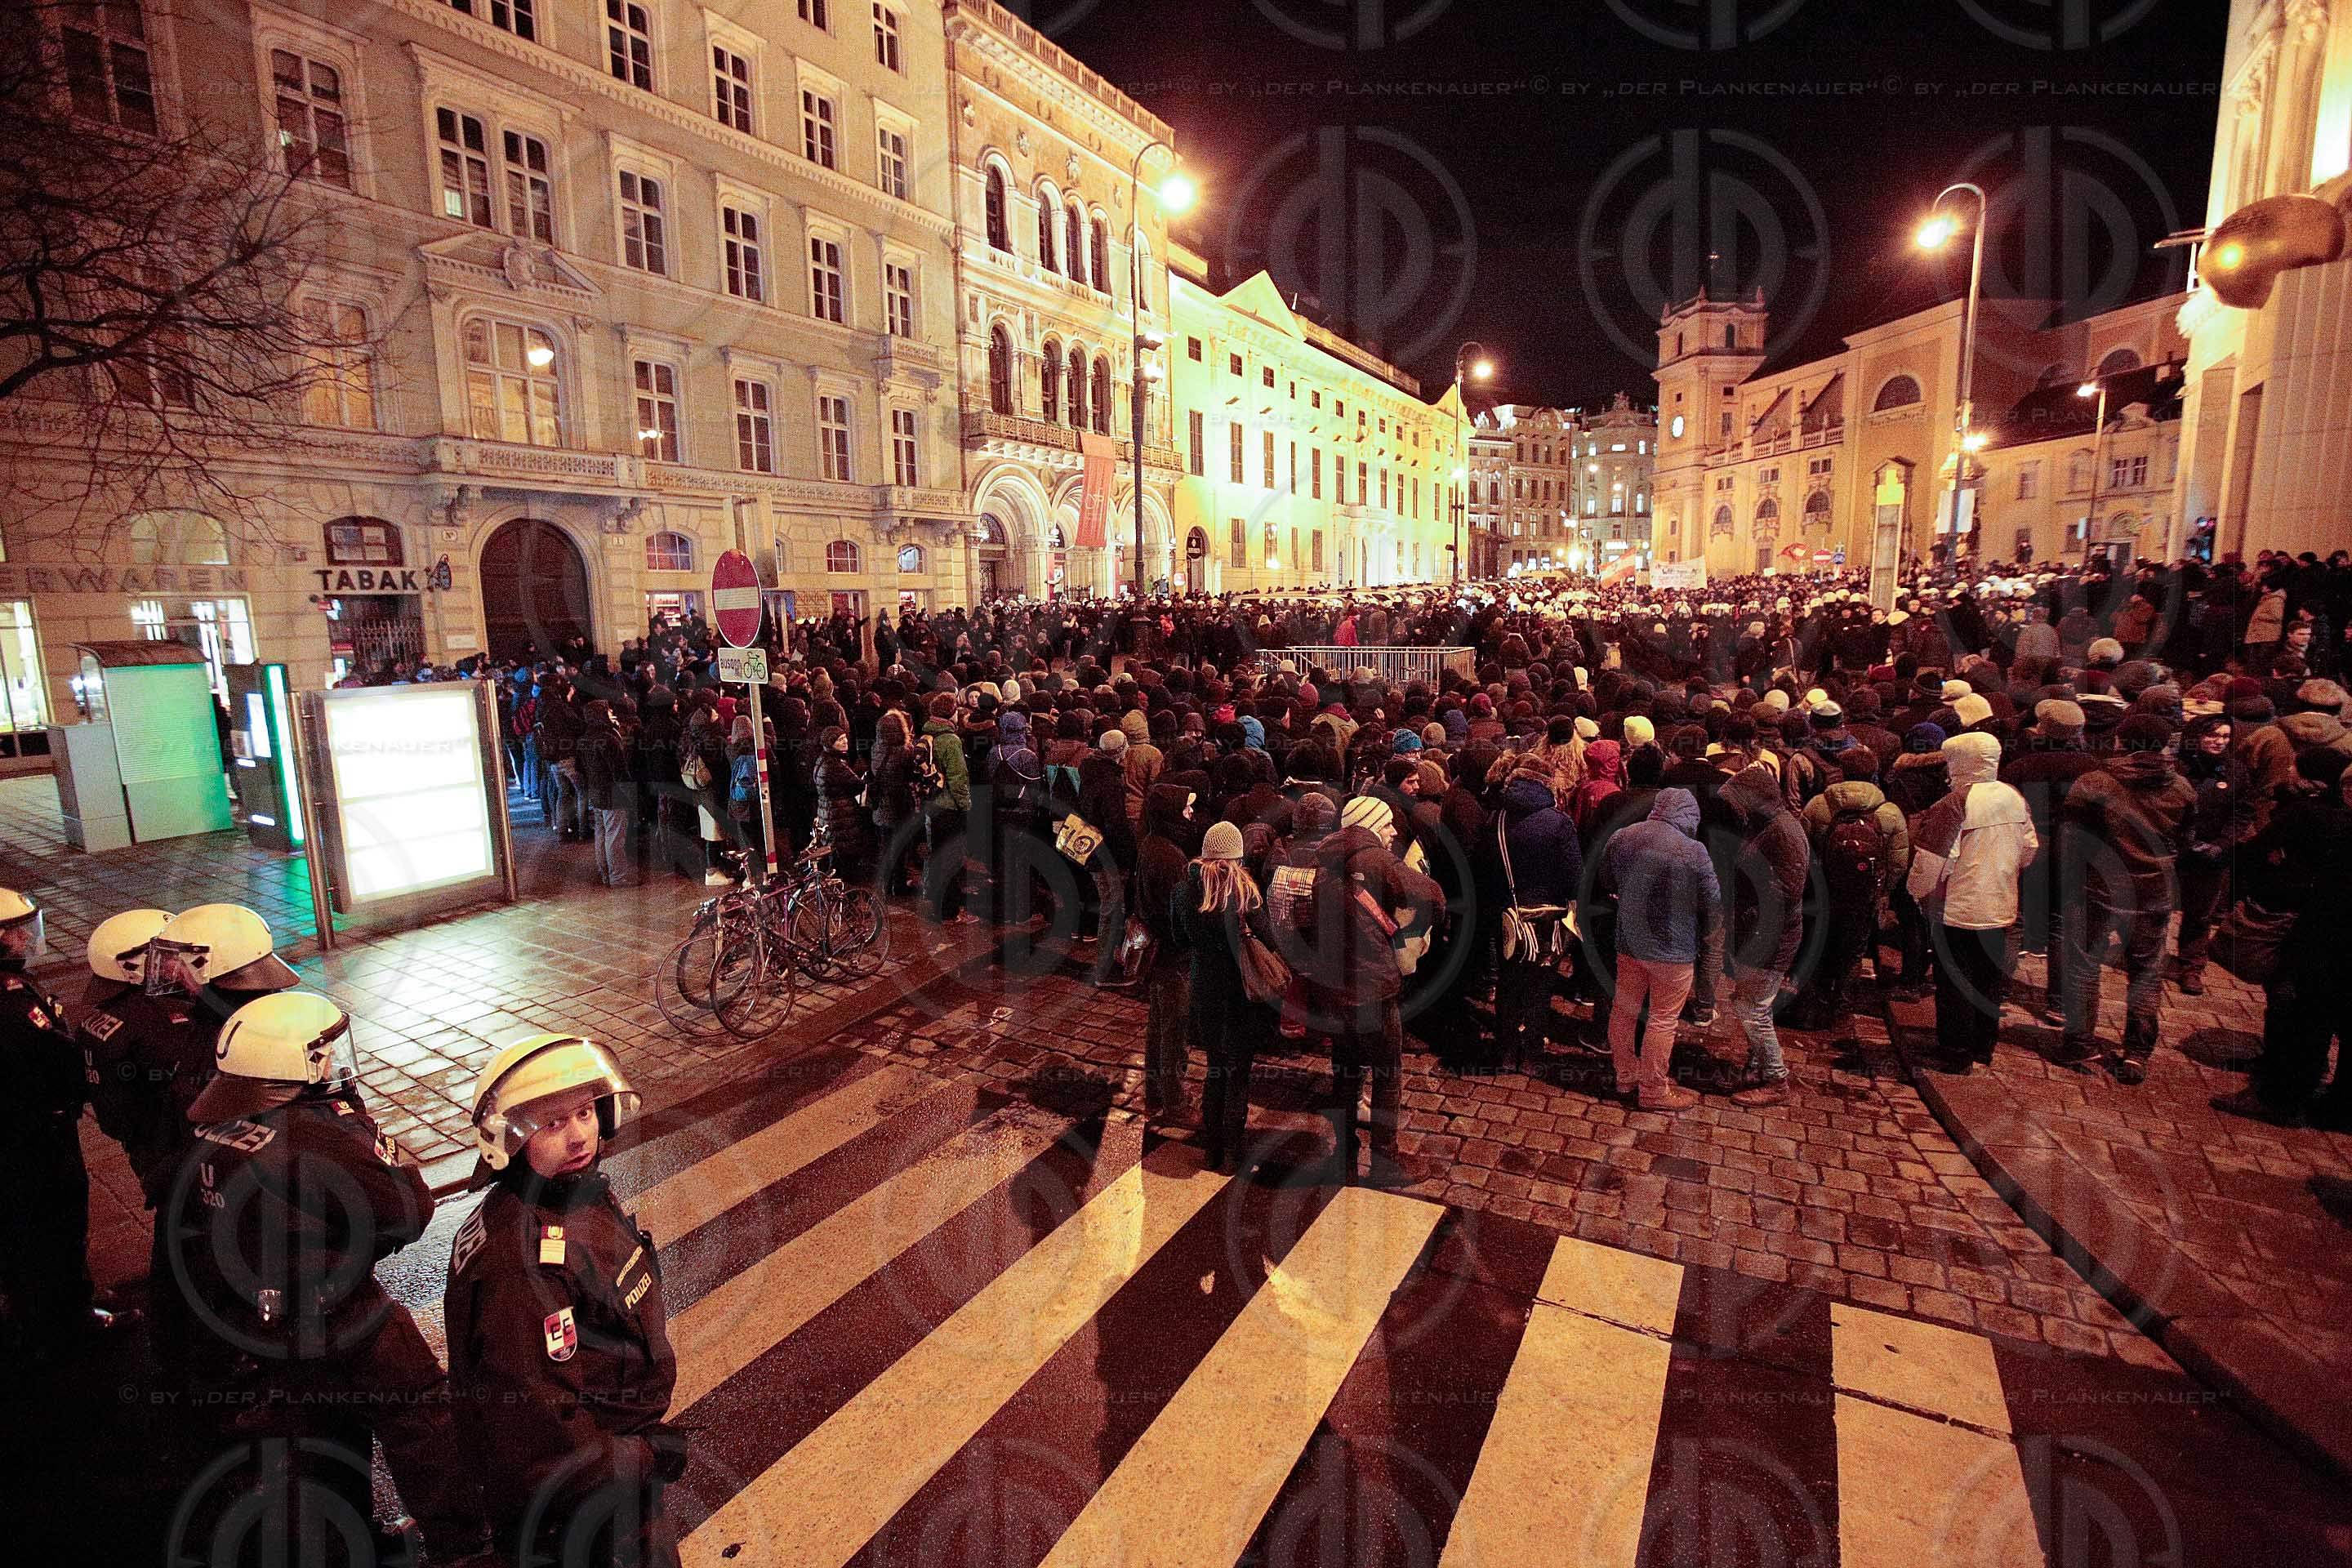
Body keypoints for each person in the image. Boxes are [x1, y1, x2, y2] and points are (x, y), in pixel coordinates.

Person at [165, 991, 494, 1566]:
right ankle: (464, 1545)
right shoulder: (315, 1134)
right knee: (422, 1418)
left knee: (320, 1428)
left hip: (263, 1321)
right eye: (325, 1051)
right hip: (343, 1313)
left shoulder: (209, 1132)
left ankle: (348, 1541)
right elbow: (408, 1208)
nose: (338, 1059)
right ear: (299, 1065)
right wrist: (359, 1126)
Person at [447, 1034, 684, 1568]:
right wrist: (647, 1457)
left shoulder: (568, 1191)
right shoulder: (522, 1263)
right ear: (510, 1140)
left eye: (584, 1112)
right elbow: (546, 1438)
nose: (579, 1135)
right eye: (553, 1124)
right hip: (585, 1506)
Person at [1285, 789, 1443, 1185]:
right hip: (1373, 987)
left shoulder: (1325, 862)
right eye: (1386, 823)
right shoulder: (1378, 860)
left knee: (1346, 1073)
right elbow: (1431, 895)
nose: (1393, 831)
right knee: (1387, 1073)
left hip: (1334, 987)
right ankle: (1386, 1162)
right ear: (1371, 825)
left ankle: (1344, 1158)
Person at [0, 889, 125, 1357]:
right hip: (34, 1134)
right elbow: (55, 1054)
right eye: (19, 931)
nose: (28, 938)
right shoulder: (12, 1001)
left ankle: (26, 1304)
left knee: (18, 1227)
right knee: (56, 1222)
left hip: (15, 1130)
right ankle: (67, 1319)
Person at [2058, 714, 2194, 1082]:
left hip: (2098, 889)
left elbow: (2071, 842)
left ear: (2122, 742)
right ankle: (2137, 1052)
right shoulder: (2181, 788)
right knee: (2147, 972)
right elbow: (2185, 841)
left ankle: (2080, 1042)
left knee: (2083, 965)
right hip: (2154, 892)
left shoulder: (2095, 783)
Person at [1905, 733, 2037, 1073]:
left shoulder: (1954, 803)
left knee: (1954, 981)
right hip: (2000, 902)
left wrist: (1916, 893)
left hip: (1959, 907)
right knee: (1988, 979)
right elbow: (2029, 848)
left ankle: (1954, 1052)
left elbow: (1933, 861)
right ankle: (1983, 1046)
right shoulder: (2013, 797)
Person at [1596, 788, 1719, 1112]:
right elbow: (1712, 900)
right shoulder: (1694, 851)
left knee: (1624, 1009)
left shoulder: (1624, 836)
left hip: (1630, 941)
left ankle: (1626, 1077)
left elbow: (1607, 879)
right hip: (1673, 948)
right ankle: (1653, 1090)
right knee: (1663, 1019)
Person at [1176, 822, 1272, 1173]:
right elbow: (1270, 938)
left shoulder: (1185, 891)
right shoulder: (1245, 892)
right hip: (1240, 993)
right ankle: (1231, 1151)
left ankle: (1211, 1147)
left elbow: (1179, 936)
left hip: (1205, 989)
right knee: (1238, 1073)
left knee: (1215, 1068)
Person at [1794, 746, 1909, 1033]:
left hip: (1823, 893)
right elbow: (1898, 862)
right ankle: (1840, 1010)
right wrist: (1883, 892)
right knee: (1853, 953)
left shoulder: (1819, 806)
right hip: (1863, 897)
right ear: (1873, 773)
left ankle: (1809, 1008)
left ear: (1842, 773)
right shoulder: (1889, 813)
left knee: (1816, 947)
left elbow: (1803, 851)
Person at [1721, 762, 1808, 1106]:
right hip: (1760, 933)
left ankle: (1776, 1080)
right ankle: (1757, 1065)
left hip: (1770, 937)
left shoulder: (1782, 832)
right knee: (1753, 1004)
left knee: (1751, 1007)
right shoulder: (1769, 824)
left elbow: (1786, 892)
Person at [1493, 752, 1580, 1071]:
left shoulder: (1499, 818)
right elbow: (1575, 877)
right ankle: (1530, 1055)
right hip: (1547, 918)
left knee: (1509, 982)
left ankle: (1504, 1052)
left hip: (1508, 915)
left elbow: (1486, 867)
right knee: (1540, 985)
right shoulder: (1558, 823)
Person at [2172, 714, 2252, 995]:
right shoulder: (2176, 767)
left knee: (2200, 913)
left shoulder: (2235, 771)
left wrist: (2223, 843)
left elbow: (2241, 812)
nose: (2220, 742)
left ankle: (2191, 965)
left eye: (2225, 737)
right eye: (2213, 736)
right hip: (2173, 850)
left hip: (2212, 853)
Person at [1136, 783, 1196, 1124]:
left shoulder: (1152, 844)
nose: (1190, 815)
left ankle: (1156, 1091)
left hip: (1161, 954)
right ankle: (1174, 1103)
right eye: (1186, 809)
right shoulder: (1169, 857)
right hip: (1174, 956)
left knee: (1158, 1024)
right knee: (1175, 1030)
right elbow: (1178, 912)